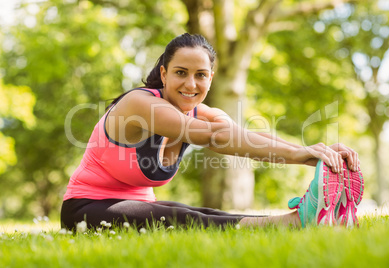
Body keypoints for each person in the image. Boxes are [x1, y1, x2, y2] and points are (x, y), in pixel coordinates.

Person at [61, 33, 364, 231]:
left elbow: (239, 136)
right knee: (185, 220)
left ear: (211, 78)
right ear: (164, 74)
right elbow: (216, 138)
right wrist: (302, 156)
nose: (191, 84)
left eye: (200, 75)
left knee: (199, 212)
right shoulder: (141, 104)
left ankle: (301, 220)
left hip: (138, 204)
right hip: (84, 210)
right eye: (180, 73)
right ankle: (297, 222)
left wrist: (313, 151)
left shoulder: (198, 112)